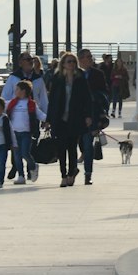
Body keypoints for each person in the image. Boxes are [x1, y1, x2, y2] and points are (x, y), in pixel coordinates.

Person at [46, 52, 94, 187]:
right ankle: (63, 175)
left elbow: (87, 98)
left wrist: (88, 116)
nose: (71, 64)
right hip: (60, 118)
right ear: (63, 64)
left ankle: (72, 173)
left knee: (72, 148)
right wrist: (48, 118)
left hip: (75, 118)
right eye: (69, 61)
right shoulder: (57, 78)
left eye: (73, 61)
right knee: (61, 148)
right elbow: (52, 100)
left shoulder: (80, 78)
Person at [77, 49, 109, 183]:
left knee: (88, 144)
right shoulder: (75, 74)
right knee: (76, 145)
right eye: (88, 57)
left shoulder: (98, 74)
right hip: (75, 115)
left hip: (92, 115)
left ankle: (88, 173)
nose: (91, 59)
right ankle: (72, 170)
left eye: (91, 57)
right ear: (81, 59)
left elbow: (105, 94)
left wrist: (102, 113)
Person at [8, 80, 45, 184]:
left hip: (26, 133)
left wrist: (50, 120)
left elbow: (40, 115)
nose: (15, 91)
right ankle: (21, 176)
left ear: (23, 91)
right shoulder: (12, 103)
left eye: (17, 89)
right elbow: (1, 103)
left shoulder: (31, 104)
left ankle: (33, 166)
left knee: (25, 153)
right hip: (14, 133)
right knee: (16, 155)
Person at [2, 51, 49, 116]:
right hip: (16, 115)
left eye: (32, 59)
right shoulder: (13, 78)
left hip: (34, 116)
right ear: (20, 63)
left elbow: (43, 99)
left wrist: (46, 116)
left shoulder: (38, 79)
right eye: (28, 59)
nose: (31, 62)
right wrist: (4, 116)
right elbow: (5, 96)